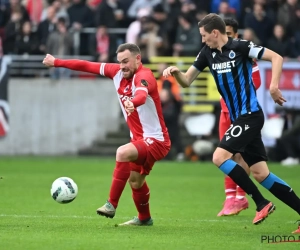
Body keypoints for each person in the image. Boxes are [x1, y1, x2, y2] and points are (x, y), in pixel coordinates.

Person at [163, 13, 300, 233]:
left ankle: (261, 203)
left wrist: (274, 86)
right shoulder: (206, 53)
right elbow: (187, 81)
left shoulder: (242, 47)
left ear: (215, 32)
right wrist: (176, 73)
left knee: (219, 156)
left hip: (250, 115)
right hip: (240, 118)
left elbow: (277, 58)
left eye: (204, 35)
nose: (202, 39)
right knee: (260, 174)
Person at [43, 43, 171, 226]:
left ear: (138, 59)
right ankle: (144, 219)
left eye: (126, 61)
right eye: (120, 62)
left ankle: (111, 205)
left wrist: (133, 103)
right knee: (135, 182)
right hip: (140, 139)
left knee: (122, 153)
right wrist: (56, 62)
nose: (122, 66)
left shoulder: (145, 76)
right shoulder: (116, 72)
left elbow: (141, 95)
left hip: (156, 140)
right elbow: (86, 65)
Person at [217, 18, 262, 217]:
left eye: (227, 32)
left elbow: (257, 81)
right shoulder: (215, 55)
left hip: (242, 113)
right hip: (224, 112)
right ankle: (230, 199)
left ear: (235, 34)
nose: (223, 36)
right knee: (224, 155)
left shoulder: (244, 54)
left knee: (241, 156)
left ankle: (241, 196)